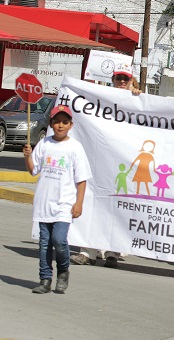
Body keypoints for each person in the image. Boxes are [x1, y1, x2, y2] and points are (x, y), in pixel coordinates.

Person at [71, 62, 139, 268]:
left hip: (123, 163)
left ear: (131, 81)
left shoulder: (137, 100)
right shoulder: (100, 97)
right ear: (113, 80)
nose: (121, 82)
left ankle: (112, 252)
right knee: (93, 202)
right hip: (100, 159)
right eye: (118, 78)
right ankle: (87, 251)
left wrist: (138, 95)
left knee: (117, 205)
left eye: (125, 79)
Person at [24, 105, 92, 293]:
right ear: (51, 124)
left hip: (64, 204)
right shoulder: (44, 144)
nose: (60, 125)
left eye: (64, 122)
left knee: (59, 240)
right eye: (56, 122)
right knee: (44, 244)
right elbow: (33, 170)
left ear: (71, 124)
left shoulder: (75, 147)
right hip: (44, 204)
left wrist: (78, 203)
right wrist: (28, 157)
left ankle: (63, 271)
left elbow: (82, 179)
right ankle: (45, 279)